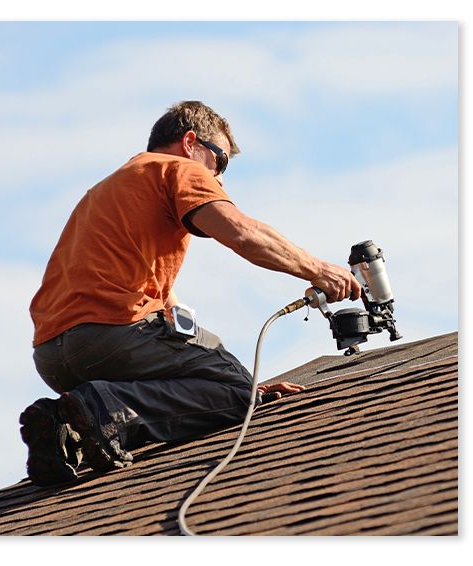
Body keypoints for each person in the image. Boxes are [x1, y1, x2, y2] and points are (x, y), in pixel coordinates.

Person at [20, 101, 361, 486]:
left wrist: (226, 381)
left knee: (227, 382)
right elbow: (242, 233)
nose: (219, 178)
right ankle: (104, 408)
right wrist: (319, 270)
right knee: (238, 394)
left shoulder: (107, 190)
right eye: (220, 162)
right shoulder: (177, 169)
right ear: (189, 142)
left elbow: (164, 307)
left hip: (52, 356)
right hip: (112, 335)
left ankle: (69, 430)